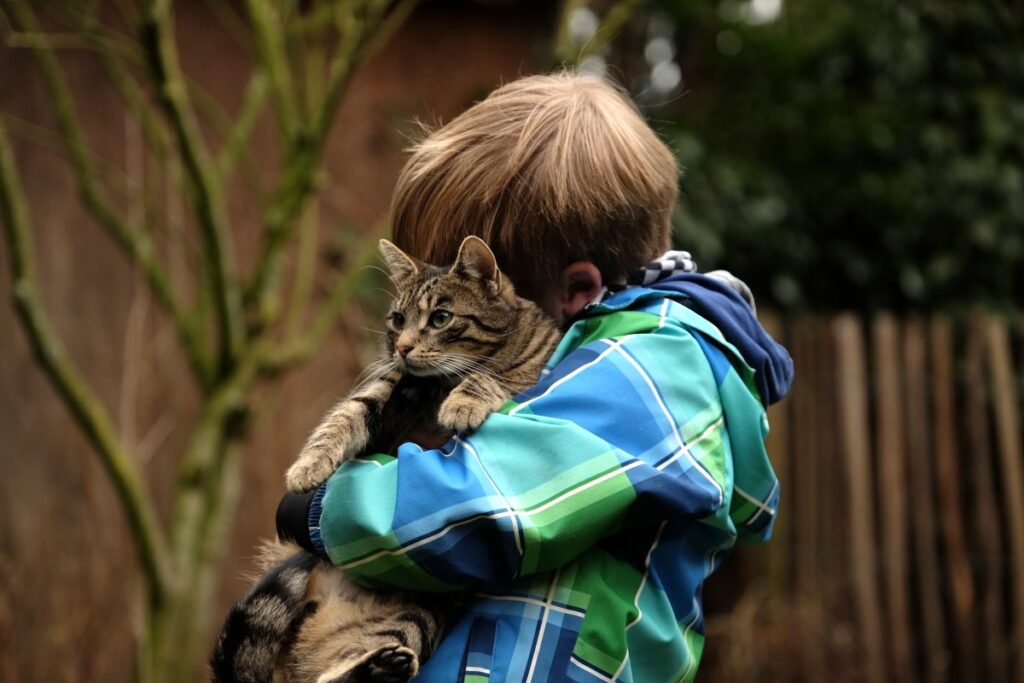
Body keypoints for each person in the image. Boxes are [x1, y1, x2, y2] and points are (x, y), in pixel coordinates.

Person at [276, 72, 793, 682]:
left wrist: (319, 512)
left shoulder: (658, 369)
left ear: (577, 290)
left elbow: (483, 509)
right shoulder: (602, 364)